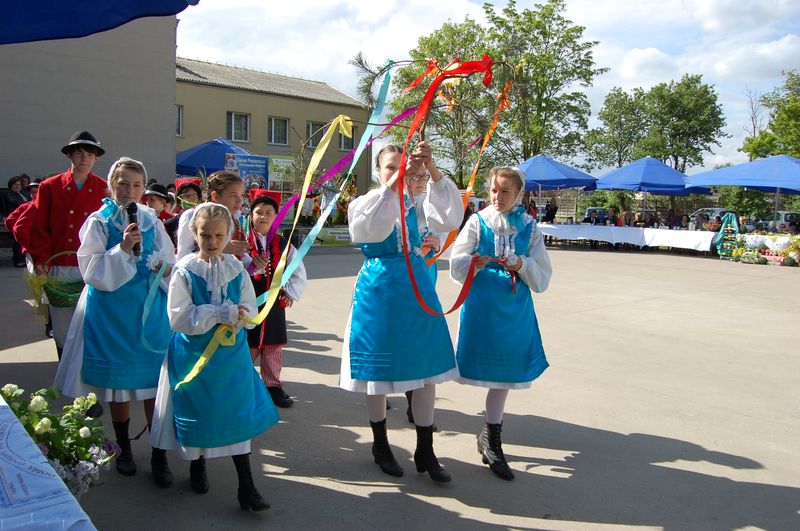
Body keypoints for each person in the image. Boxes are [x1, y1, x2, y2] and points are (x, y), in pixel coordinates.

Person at [340, 142, 462, 483]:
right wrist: (397, 183)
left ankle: (426, 448)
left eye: (406, 165)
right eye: (392, 167)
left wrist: (433, 170)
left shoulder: (420, 202)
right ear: (379, 171)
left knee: (426, 372)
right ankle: (381, 444)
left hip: (419, 291)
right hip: (380, 293)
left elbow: (451, 217)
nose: (401, 172)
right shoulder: (367, 202)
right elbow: (368, 230)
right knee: (378, 374)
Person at [149, 202, 279, 511]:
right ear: (195, 233)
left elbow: (249, 308)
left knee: (233, 414)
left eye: (219, 236)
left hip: (230, 358)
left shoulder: (236, 268)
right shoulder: (185, 270)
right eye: (205, 235)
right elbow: (178, 317)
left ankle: (246, 486)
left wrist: (240, 316)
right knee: (199, 409)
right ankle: (197, 464)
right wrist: (218, 313)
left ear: (228, 234)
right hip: (193, 355)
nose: (212, 242)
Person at [53, 157, 175, 484]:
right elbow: (90, 270)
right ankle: (123, 447)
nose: (130, 191)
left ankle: (159, 454)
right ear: (112, 185)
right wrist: (121, 249)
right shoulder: (99, 221)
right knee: (119, 387)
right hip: (111, 312)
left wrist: (159, 266)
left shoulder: (152, 220)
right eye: (124, 183)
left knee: (153, 384)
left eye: (136, 185)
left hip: (147, 311)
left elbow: (169, 260)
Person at [450, 166, 551, 481]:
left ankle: (491, 437)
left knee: (504, 377)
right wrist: (473, 263)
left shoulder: (530, 228)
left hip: (514, 307)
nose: (498, 196)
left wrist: (522, 263)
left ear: (518, 194)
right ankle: (490, 436)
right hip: (482, 306)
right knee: (490, 369)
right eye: (494, 190)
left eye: (505, 191)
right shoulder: (478, 221)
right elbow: (456, 262)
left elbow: (543, 276)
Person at [28, 131, 108, 359]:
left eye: (89, 154)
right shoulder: (49, 187)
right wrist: (41, 257)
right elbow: (39, 225)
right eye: (79, 153)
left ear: (96, 159)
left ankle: (86, 373)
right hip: (60, 264)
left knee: (90, 323)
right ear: (70, 156)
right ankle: (63, 370)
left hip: (91, 267)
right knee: (62, 325)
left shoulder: (104, 189)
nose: (84, 158)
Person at [245, 189, 307, 408]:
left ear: (275, 216)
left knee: (272, 344)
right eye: (259, 212)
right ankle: (243, 383)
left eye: (268, 212)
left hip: (272, 303)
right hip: (247, 300)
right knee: (247, 343)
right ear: (251, 214)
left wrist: (289, 291)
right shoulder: (241, 240)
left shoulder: (282, 242)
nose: (263, 216)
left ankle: (273, 386)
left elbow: (297, 267)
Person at [176, 171, 247, 261]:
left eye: (241, 195)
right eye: (233, 195)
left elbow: (240, 260)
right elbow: (183, 256)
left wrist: (255, 264)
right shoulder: (192, 215)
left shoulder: (235, 220)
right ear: (215, 196)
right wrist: (221, 249)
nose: (239, 201)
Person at [4, 176, 31, 266]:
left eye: (19, 184)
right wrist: (28, 205)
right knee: (16, 240)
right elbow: (17, 203)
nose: (17, 186)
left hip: (26, 219)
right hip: (15, 219)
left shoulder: (24, 193)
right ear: (11, 186)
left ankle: (24, 258)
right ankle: (18, 260)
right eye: (15, 185)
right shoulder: (10, 194)